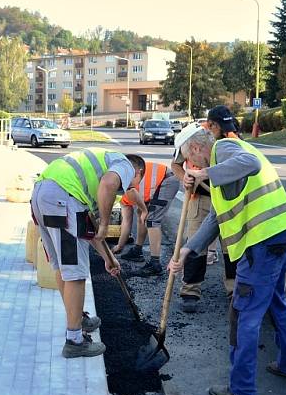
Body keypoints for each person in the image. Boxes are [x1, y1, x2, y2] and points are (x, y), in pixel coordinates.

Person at [168, 105, 286, 395]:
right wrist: (188, 250)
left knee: (244, 313)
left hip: (263, 244)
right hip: (281, 234)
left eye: (189, 162)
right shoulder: (221, 171)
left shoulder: (225, 148)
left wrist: (203, 171)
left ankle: (241, 389)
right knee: (278, 302)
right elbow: (216, 217)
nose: (189, 170)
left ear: (196, 148)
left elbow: (250, 161)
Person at [31, 148, 146, 359]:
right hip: (62, 198)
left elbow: (89, 231)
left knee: (63, 266)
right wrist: (105, 221)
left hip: (43, 194)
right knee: (75, 272)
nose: (126, 189)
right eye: (130, 185)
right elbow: (110, 184)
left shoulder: (94, 171)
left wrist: (107, 258)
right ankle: (75, 340)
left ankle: (77, 319)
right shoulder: (125, 165)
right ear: (137, 171)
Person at [169, 123, 217, 312]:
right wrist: (185, 177)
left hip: (228, 197)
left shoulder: (227, 142)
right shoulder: (189, 139)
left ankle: (233, 290)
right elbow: (175, 165)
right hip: (201, 195)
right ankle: (190, 291)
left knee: (231, 246)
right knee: (195, 241)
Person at [112, 161, 179, 277]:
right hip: (155, 182)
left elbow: (127, 222)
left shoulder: (126, 191)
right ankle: (137, 250)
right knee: (141, 214)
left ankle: (155, 264)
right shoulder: (121, 190)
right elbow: (130, 219)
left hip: (166, 180)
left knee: (152, 220)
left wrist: (119, 246)